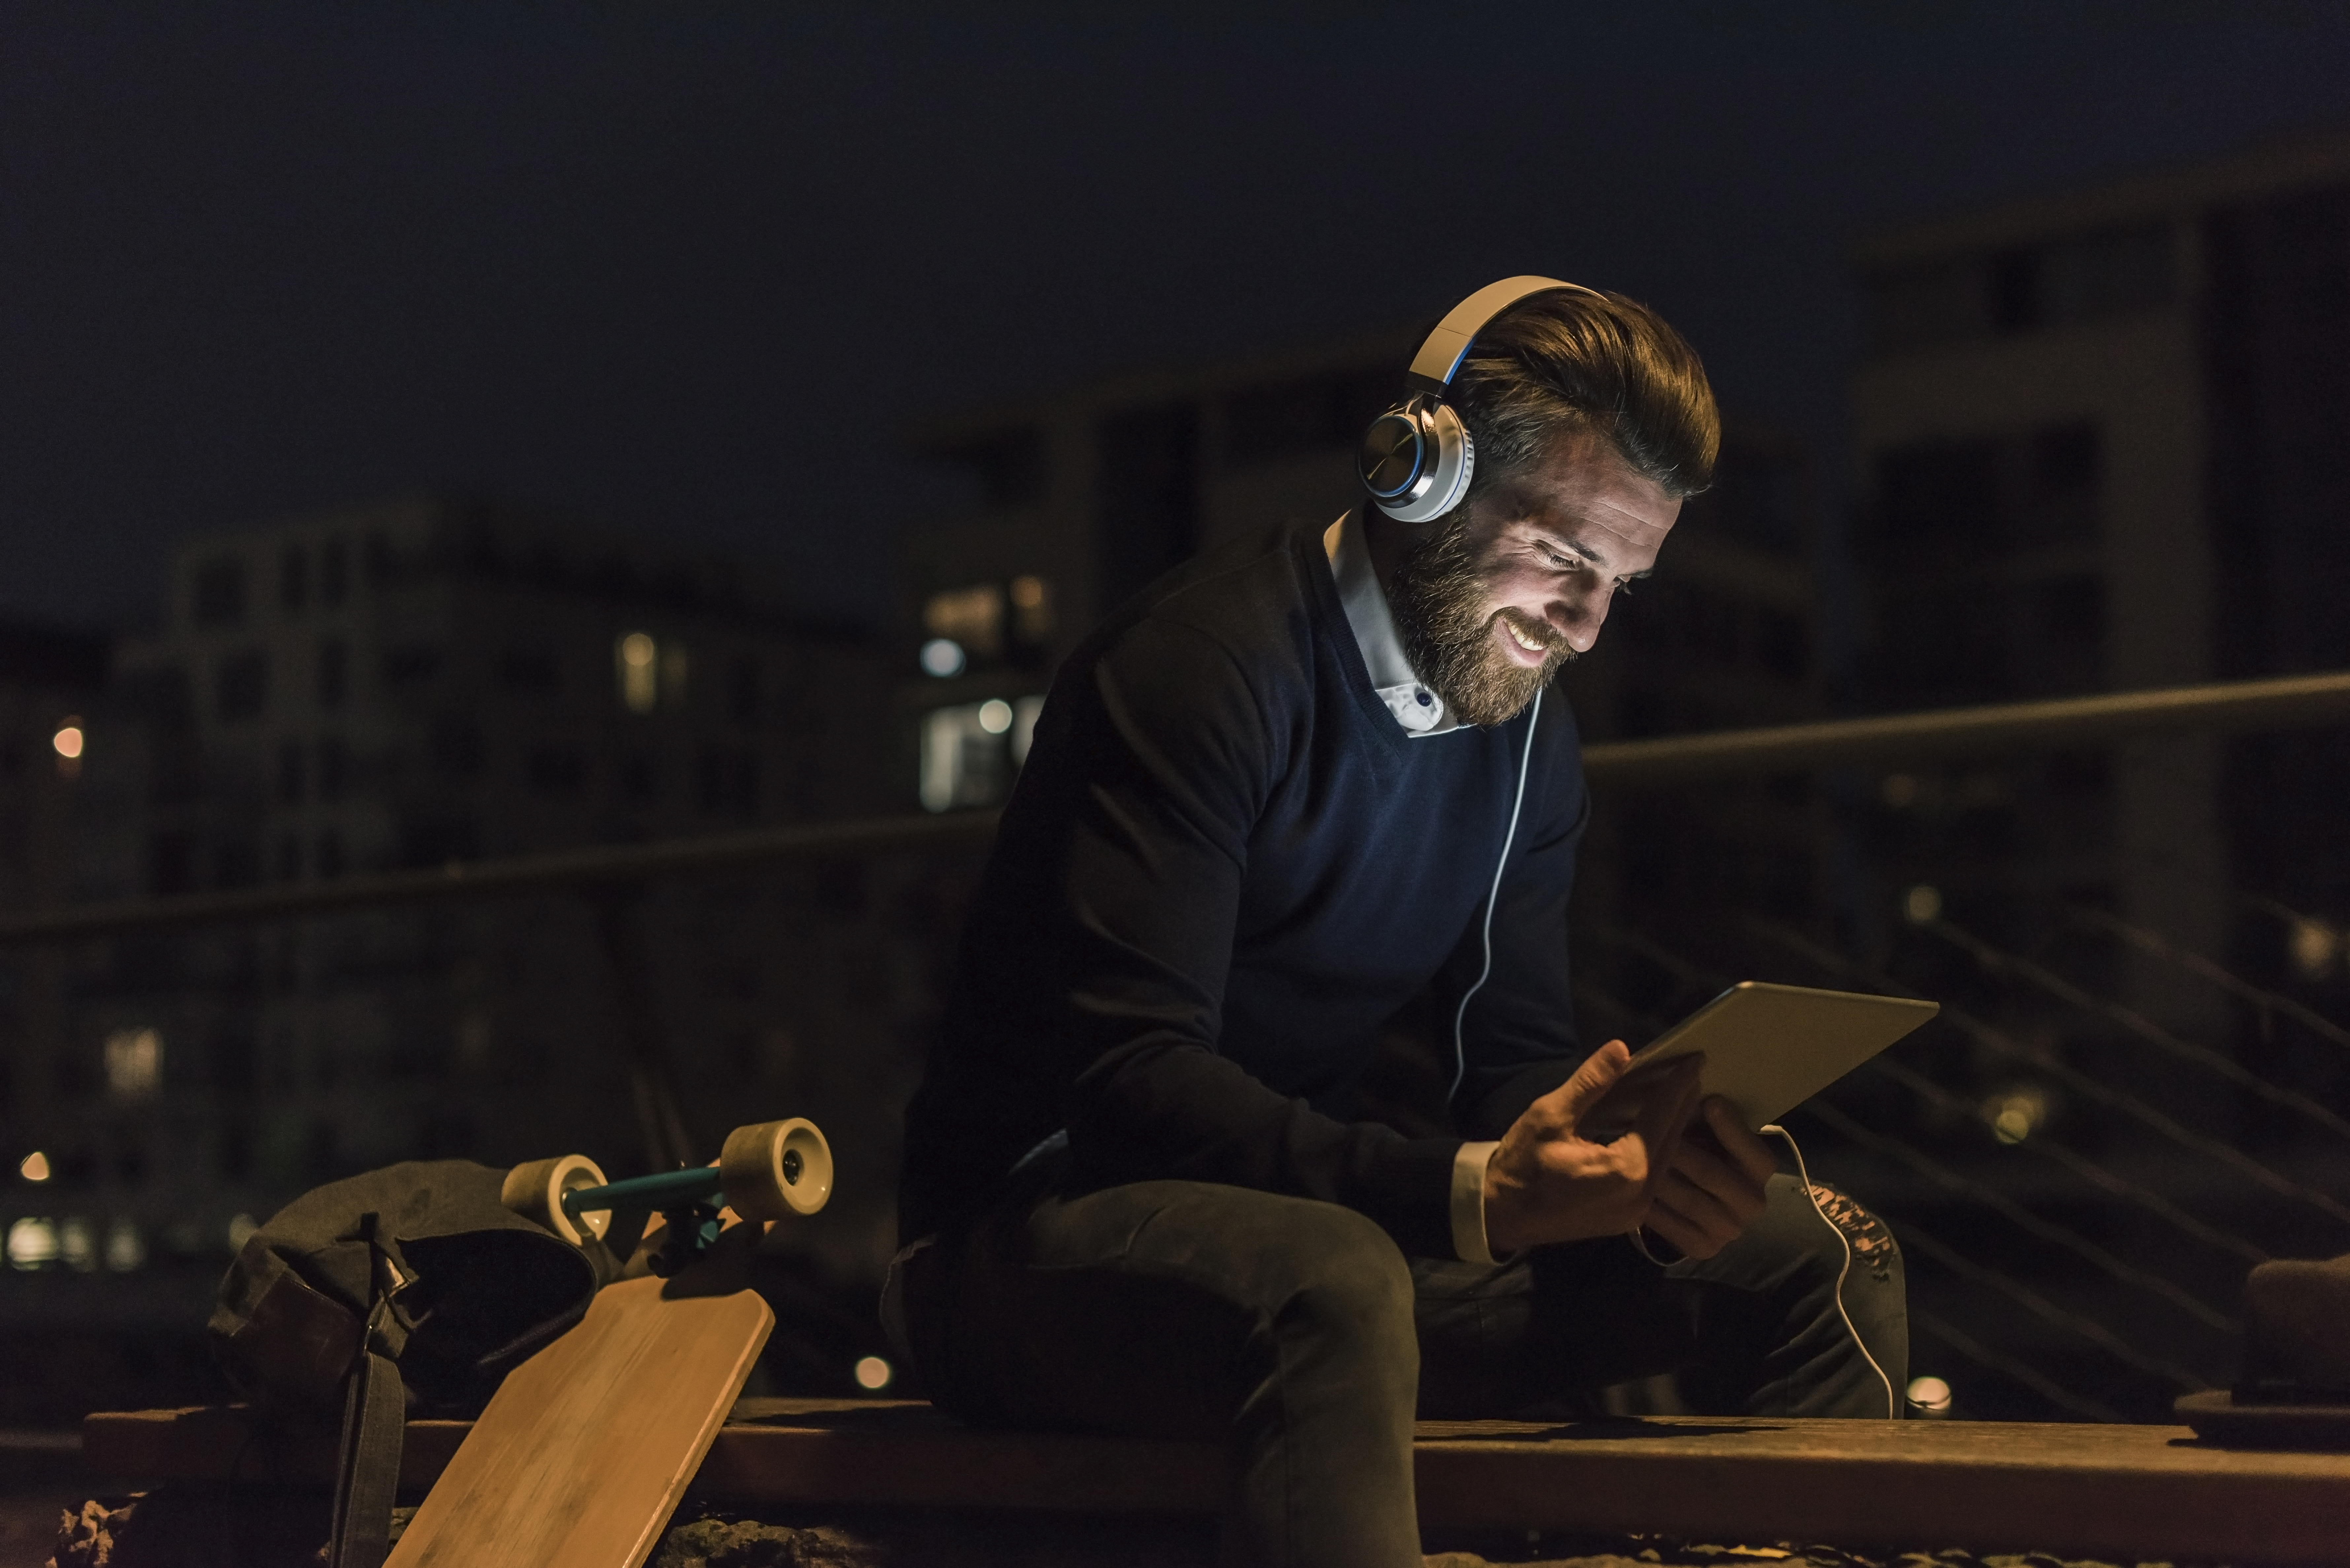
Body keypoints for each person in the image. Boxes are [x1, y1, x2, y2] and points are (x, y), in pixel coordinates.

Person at [888, 279, 1907, 1568]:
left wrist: (1624, 1168)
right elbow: (1130, 1086)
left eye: (1622, 585)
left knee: (1817, 1247)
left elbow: (1510, 1071)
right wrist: (1476, 1191)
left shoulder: (1529, 736)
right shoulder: (1204, 665)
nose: (1583, 626)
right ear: (1417, 474)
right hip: (1020, 1248)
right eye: (1561, 556)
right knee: (1336, 1282)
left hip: (1311, 1239)